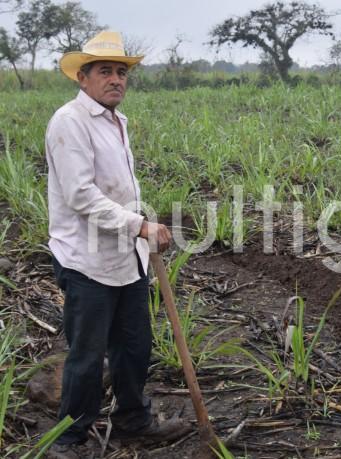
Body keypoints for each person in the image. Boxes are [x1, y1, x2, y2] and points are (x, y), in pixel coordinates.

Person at [46, 31, 188, 458]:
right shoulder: (69, 121)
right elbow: (81, 195)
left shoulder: (115, 121)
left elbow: (118, 187)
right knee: (87, 357)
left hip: (126, 258)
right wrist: (139, 225)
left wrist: (137, 229)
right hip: (86, 261)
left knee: (133, 347)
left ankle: (133, 419)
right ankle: (69, 438)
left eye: (121, 72)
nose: (115, 79)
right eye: (105, 71)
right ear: (83, 77)